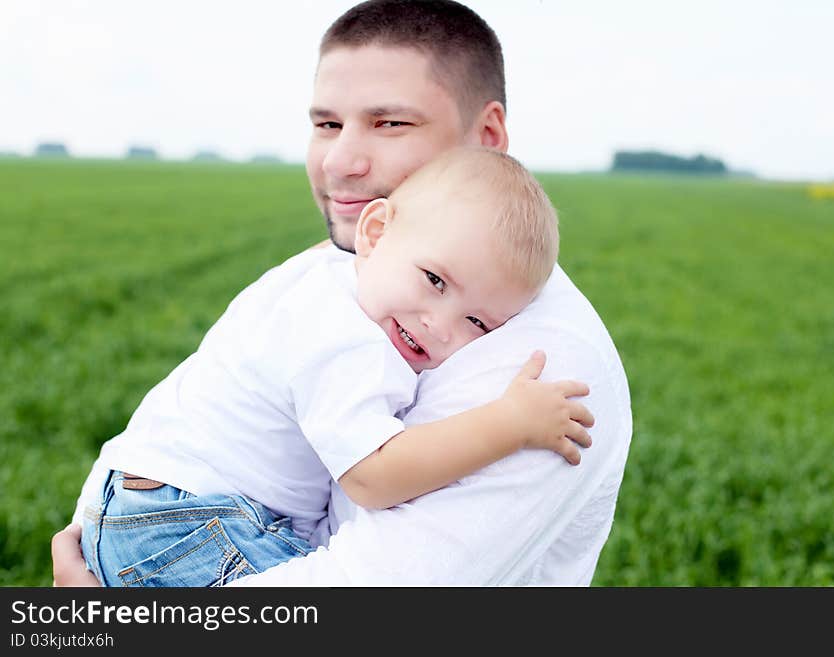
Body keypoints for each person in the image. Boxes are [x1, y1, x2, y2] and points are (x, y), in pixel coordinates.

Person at [53, 0, 632, 586]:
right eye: (327, 124)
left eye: (390, 123)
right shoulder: (331, 276)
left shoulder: (545, 368)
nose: (339, 162)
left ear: (486, 137)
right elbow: (167, 424)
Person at [77, 147, 592, 587]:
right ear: (373, 233)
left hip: (155, 509)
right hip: (185, 522)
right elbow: (373, 476)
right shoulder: (346, 338)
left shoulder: (329, 282)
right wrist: (511, 423)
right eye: (434, 280)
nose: (440, 325)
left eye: (477, 321)